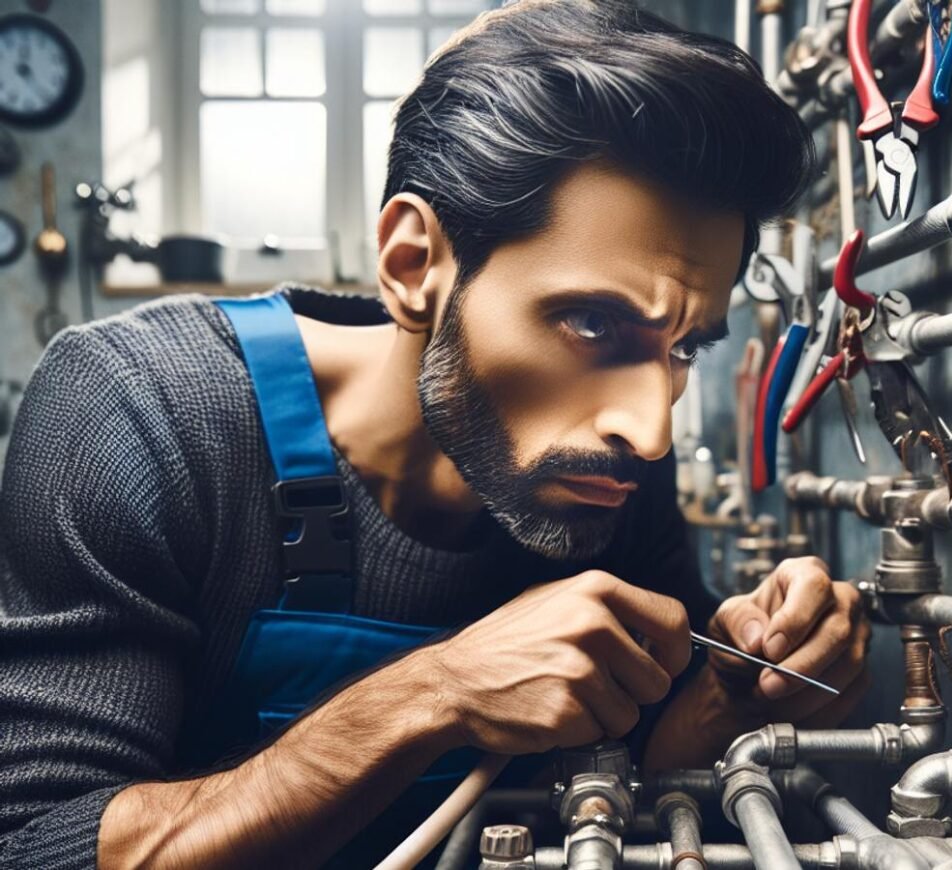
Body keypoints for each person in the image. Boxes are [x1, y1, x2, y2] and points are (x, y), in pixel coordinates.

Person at [0, 1, 870, 867]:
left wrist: (731, 695)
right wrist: (432, 693)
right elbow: (40, 849)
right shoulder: (137, 411)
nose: (648, 429)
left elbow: (636, 774)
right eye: (593, 326)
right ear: (415, 265)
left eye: (682, 349)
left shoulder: (601, 461)